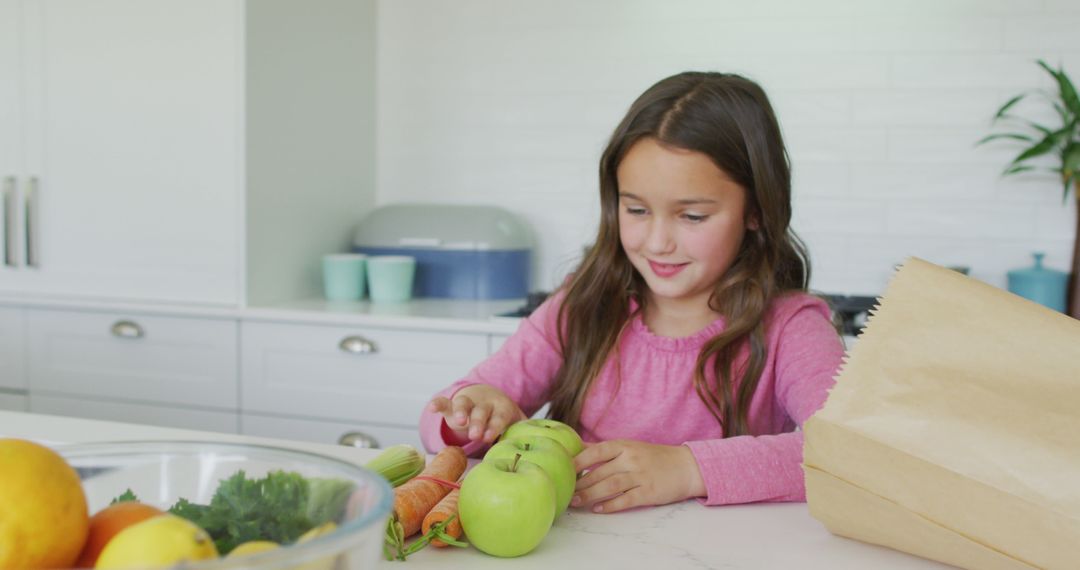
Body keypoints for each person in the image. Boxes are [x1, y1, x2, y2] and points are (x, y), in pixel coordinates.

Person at [419, 71, 844, 513]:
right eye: (637, 209)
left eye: (692, 216)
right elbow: (436, 418)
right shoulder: (583, 307)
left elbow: (853, 455)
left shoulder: (791, 329)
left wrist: (686, 469)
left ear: (754, 211)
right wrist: (471, 417)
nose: (658, 241)